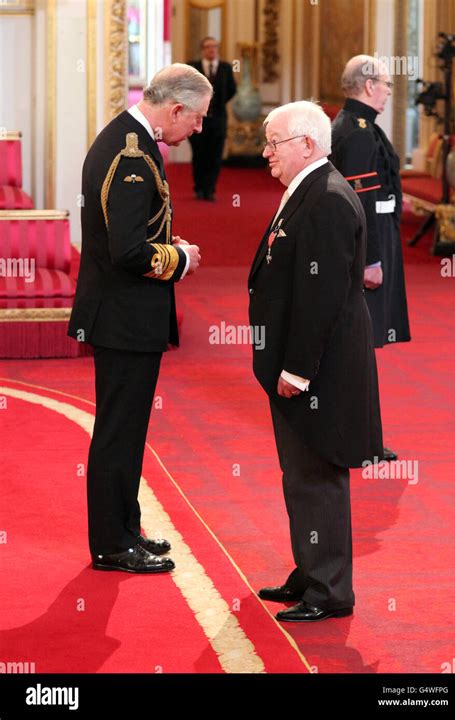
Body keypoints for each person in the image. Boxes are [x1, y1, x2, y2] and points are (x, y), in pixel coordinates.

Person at [68, 64, 212, 573]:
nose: (198, 129)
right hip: (123, 316)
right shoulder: (130, 151)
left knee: (127, 430)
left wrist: (167, 245)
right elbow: (129, 249)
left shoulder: (133, 139)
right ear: (175, 109)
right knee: (118, 431)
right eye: (196, 119)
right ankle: (111, 544)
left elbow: (126, 233)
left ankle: (126, 528)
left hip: (126, 313)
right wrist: (180, 260)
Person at [248, 101, 383, 622]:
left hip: (318, 372)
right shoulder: (309, 189)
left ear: (307, 144)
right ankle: (309, 573)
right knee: (299, 473)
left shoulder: (325, 198)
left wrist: (297, 369)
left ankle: (329, 592)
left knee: (317, 474)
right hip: (307, 366)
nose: (265, 152)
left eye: (274, 142)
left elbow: (322, 298)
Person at [331, 55, 411, 462]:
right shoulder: (358, 132)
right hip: (370, 251)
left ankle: (362, 439)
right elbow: (361, 205)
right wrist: (371, 261)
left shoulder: (357, 126)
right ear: (368, 85)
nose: (389, 92)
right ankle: (360, 442)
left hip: (373, 247)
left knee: (359, 351)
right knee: (357, 351)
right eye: (386, 84)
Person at [188, 36, 236, 201]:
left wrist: (217, 105)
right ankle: (199, 187)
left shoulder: (226, 68)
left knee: (215, 155)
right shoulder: (193, 68)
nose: (212, 50)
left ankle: (210, 189)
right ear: (202, 50)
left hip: (218, 119)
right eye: (208, 47)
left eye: (214, 46)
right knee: (199, 154)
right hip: (197, 119)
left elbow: (231, 90)